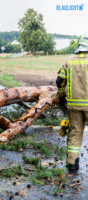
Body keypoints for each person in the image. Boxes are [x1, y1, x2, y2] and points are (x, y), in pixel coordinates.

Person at [56, 33, 88, 173]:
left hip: (74, 106)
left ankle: (72, 164)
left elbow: (59, 81)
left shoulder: (69, 61)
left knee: (75, 133)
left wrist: (61, 96)